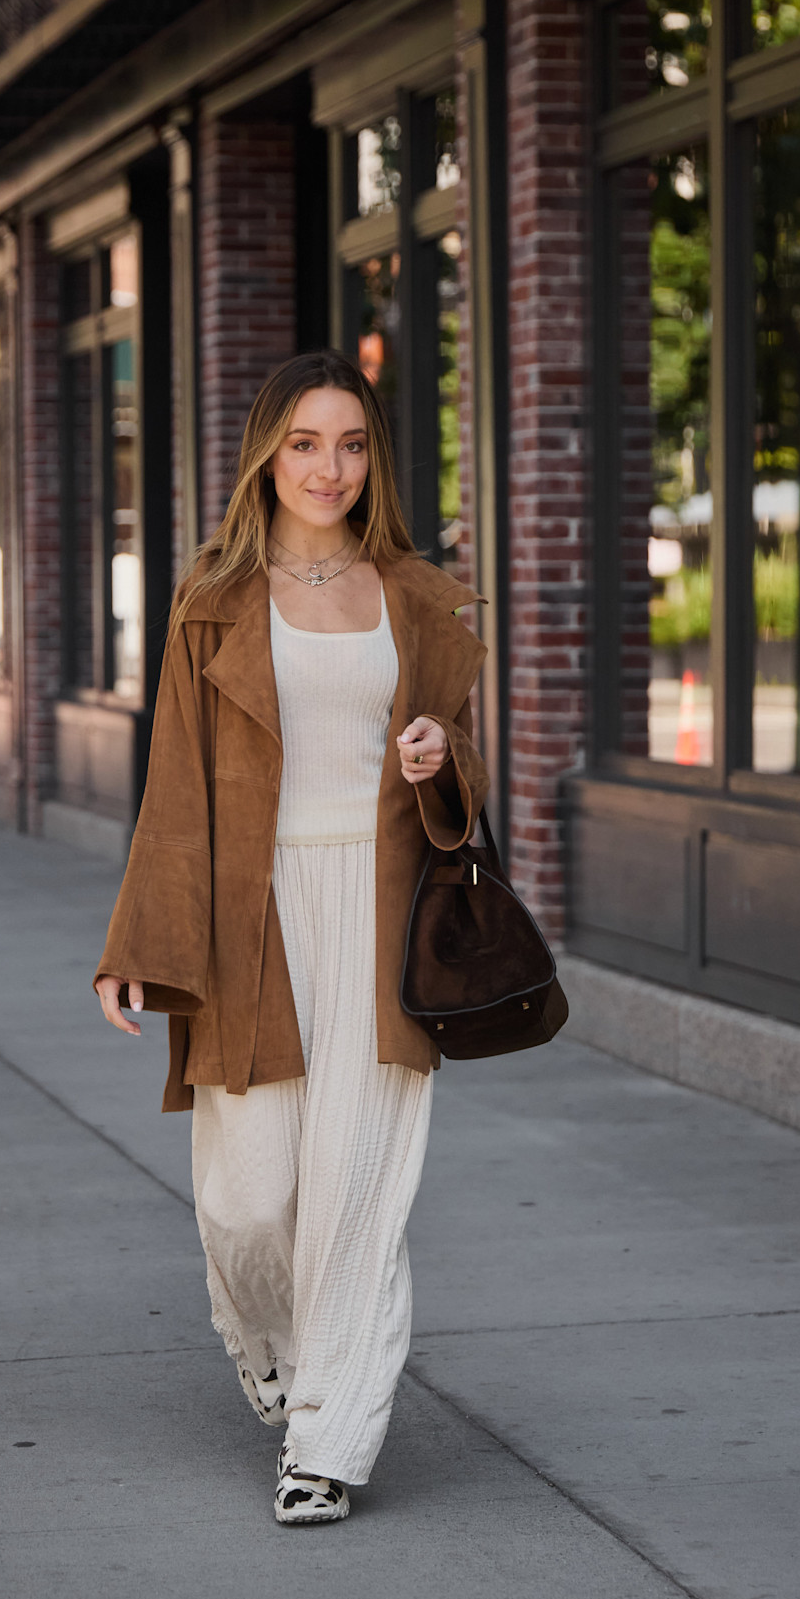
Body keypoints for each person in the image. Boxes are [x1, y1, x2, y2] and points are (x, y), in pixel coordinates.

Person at [95, 349, 488, 1526]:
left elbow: (464, 765)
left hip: (381, 919)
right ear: (268, 453)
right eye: (307, 443)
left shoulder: (418, 595)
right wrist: (135, 941)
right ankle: (267, 1343)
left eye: (354, 444)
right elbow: (172, 788)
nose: (331, 468)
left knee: (358, 1192)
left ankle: (329, 1435)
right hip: (248, 921)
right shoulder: (213, 599)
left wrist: (437, 759)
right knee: (250, 1197)